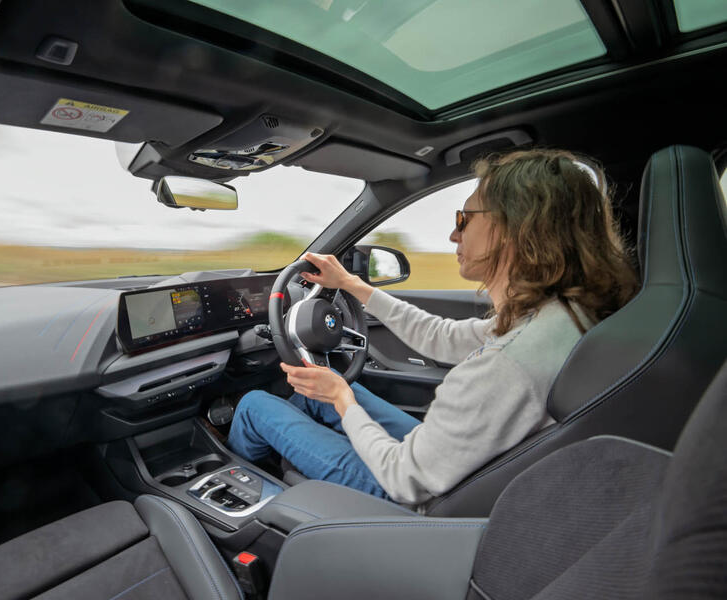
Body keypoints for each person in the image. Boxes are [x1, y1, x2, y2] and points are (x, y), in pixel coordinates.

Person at [227, 149, 640, 509]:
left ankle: (252, 510)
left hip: (416, 500)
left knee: (255, 406)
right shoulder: (561, 318)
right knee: (320, 393)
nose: (453, 234)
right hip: (457, 471)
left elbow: (400, 477)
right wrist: (353, 286)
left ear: (513, 229)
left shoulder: (508, 365)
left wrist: (341, 399)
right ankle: (296, 467)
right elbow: (443, 337)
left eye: (465, 218)